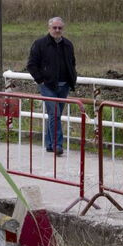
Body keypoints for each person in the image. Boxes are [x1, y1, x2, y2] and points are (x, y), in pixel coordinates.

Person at [25, 16, 77, 155]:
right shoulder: (40, 44)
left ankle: (49, 144)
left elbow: (72, 63)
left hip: (64, 85)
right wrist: (40, 80)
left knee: (55, 115)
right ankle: (57, 144)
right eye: (54, 27)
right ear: (49, 28)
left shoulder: (68, 44)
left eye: (60, 28)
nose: (57, 30)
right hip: (47, 85)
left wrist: (72, 78)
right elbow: (31, 65)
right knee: (54, 114)